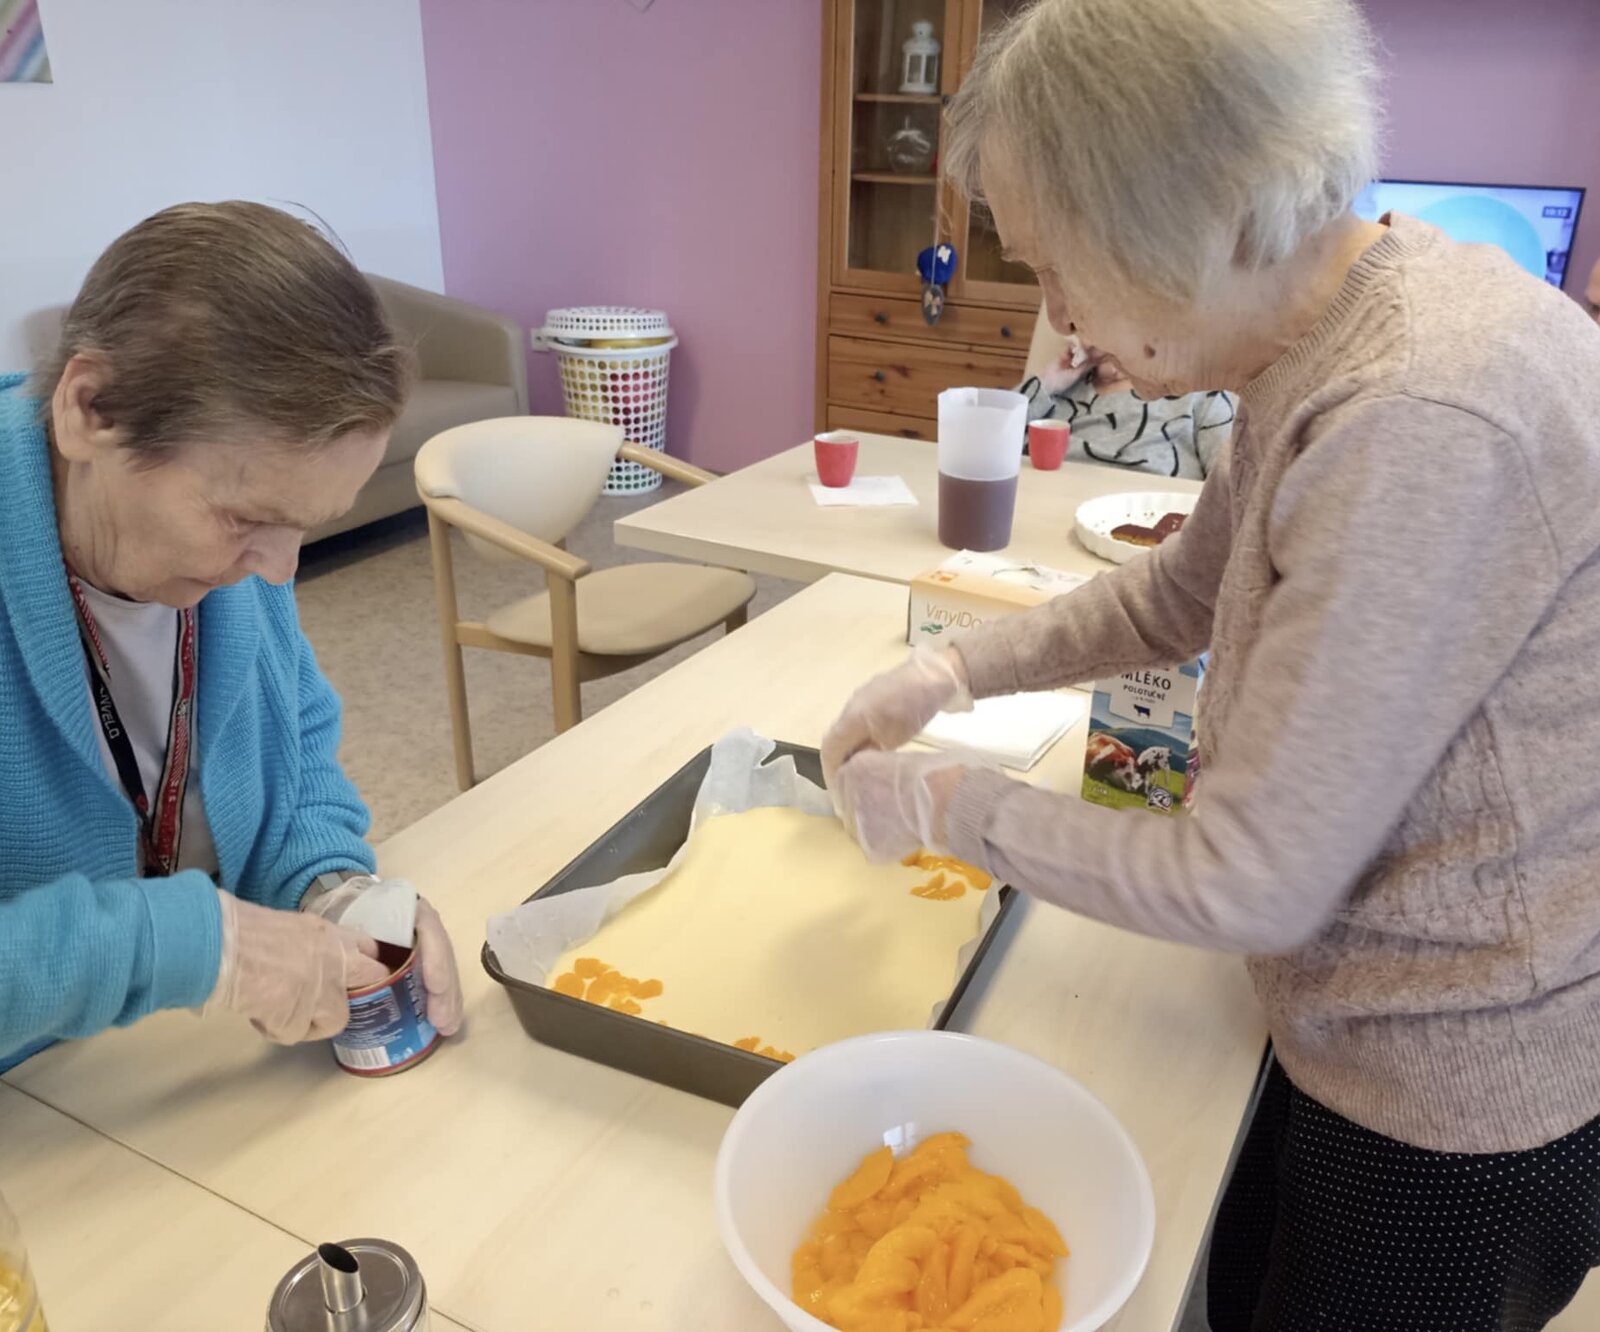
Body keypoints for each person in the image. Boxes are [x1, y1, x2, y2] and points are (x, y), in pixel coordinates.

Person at [821, 1, 1600, 1328]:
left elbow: (1247, 879)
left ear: (1191, 210)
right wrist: (954, 672)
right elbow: (1183, 589)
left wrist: (955, 807)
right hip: (1344, 1013)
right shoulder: (1328, 328)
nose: (1060, 326)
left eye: (1062, 270)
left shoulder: (1416, 414)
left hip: (1457, 1093)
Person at [0, 201, 464, 1068]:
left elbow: (293, 762)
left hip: (153, 1073)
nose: (279, 573)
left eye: (305, 525)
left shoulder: (227, 564)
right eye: (245, 517)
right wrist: (194, 946)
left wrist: (334, 892)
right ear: (89, 409)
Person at [1021, 337, 1236, 479]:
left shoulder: (1196, 390)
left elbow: (1232, 482)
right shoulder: (1052, 392)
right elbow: (1000, 444)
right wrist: (1048, 382)